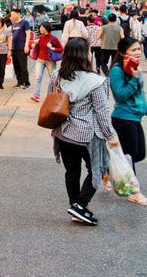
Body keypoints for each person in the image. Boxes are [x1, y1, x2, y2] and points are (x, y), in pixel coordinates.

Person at [50, 38, 119, 225]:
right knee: (98, 168)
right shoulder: (96, 81)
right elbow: (102, 111)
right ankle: (80, 206)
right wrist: (111, 135)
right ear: (86, 55)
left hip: (63, 133)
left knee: (72, 171)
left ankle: (75, 208)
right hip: (88, 135)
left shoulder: (57, 76)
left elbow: (51, 98)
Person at [108, 37, 147, 206]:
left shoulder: (135, 66)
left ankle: (107, 171)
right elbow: (121, 95)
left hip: (135, 118)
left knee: (140, 154)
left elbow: (140, 95)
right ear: (122, 52)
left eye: (139, 49)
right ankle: (134, 193)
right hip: (123, 118)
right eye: (133, 50)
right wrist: (134, 78)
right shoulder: (116, 70)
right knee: (130, 157)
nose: (138, 52)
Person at [31, 22, 63, 102]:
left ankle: (54, 95)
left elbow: (61, 49)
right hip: (40, 60)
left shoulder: (53, 39)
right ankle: (36, 95)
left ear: (47, 28)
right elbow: (31, 45)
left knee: (53, 78)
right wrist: (34, 44)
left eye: (42, 27)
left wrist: (52, 48)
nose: (40, 29)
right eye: (40, 27)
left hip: (50, 61)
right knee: (38, 78)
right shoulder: (39, 37)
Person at [10, 9, 32, 89]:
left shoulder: (24, 22)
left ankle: (26, 83)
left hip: (21, 47)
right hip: (14, 48)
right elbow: (12, 35)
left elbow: (28, 34)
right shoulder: (13, 24)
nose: (11, 16)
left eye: (13, 14)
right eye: (11, 15)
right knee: (16, 66)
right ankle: (19, 82)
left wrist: (26, 45)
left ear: (18, 14)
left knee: (23, 66)